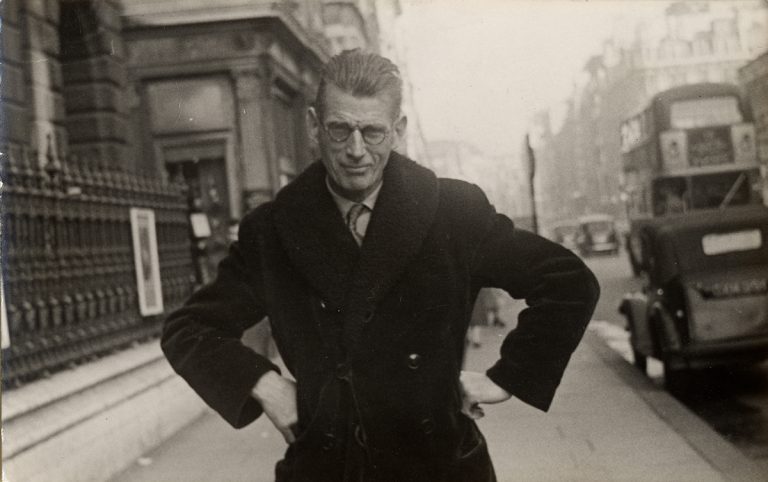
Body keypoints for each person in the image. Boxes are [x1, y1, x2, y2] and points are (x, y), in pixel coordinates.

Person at [161, 49, 600, 482]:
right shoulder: (273, 230)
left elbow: (567, 282)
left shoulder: (452, 212)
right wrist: (264, 385)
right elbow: (189, 329)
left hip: (440, 468)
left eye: (372, 131)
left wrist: (507, 377)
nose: (356, 151)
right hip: (326, 468)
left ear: (398, 130)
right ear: (314, 126)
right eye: (339, 130)